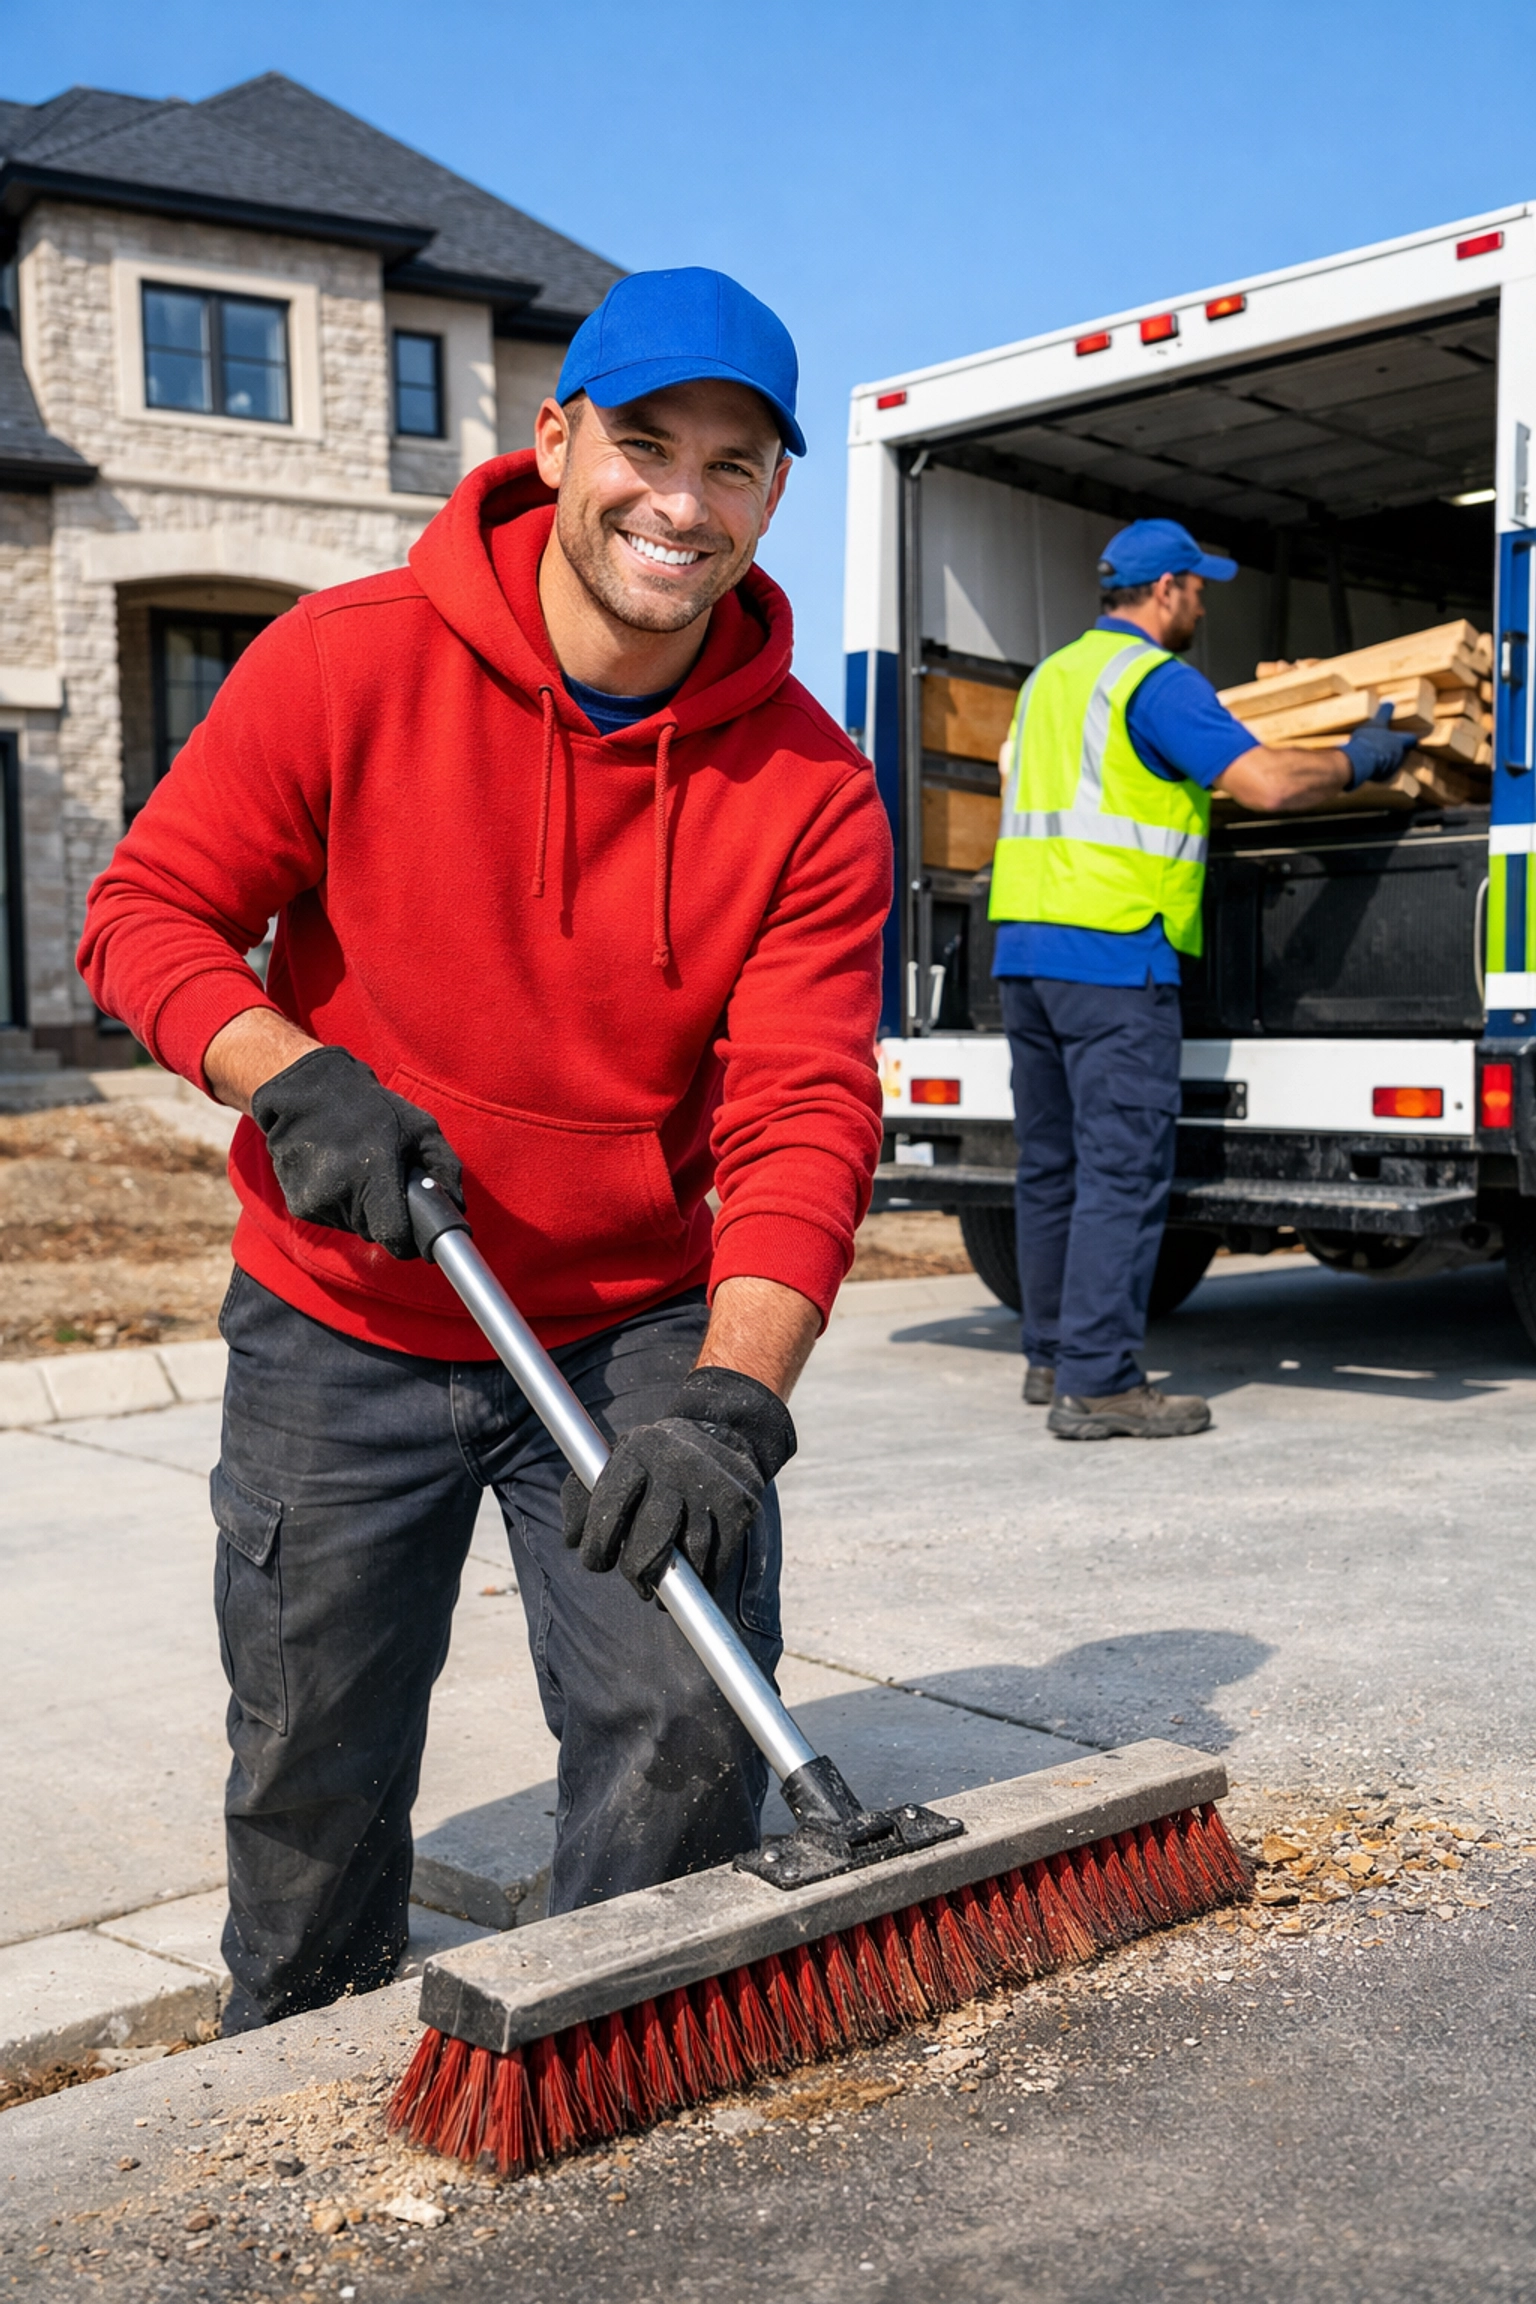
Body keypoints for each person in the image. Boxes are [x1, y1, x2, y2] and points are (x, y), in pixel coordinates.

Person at [79, 268, 891, 2031]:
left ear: (771, 494)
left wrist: (731, 1399)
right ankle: (284, 2072)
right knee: (311, 1746)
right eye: (646, 443)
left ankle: (582, 2062)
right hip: (342, 1316)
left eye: (736, 464)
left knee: (684, 1723)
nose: (683, 499)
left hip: (623, 1322)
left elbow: (803, 1106)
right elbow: (149, 913)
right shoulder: (346, 660)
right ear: (555, 439)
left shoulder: (814, 793)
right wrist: (293, 1072)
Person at [989, 517, 1417, 1441]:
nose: (1204, 601)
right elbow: (1265, 785)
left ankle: (1053, 1353)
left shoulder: (1049, 680)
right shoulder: (1154, 682)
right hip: (1114, 952)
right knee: (1120, 1171)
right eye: (1198, 585)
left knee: (1053, 1169)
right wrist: (1359, 758)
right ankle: (1101, 1385)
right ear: (1166, 589)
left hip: (1026, 953)